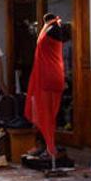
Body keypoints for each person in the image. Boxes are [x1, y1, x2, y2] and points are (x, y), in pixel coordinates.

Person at [25, 13, 72, 158]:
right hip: (49, 75)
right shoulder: (48, 29)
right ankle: (48, 147)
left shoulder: (52, 29)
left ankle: (50, 149)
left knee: (46, 114)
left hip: (47, 77)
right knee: (47, 114)